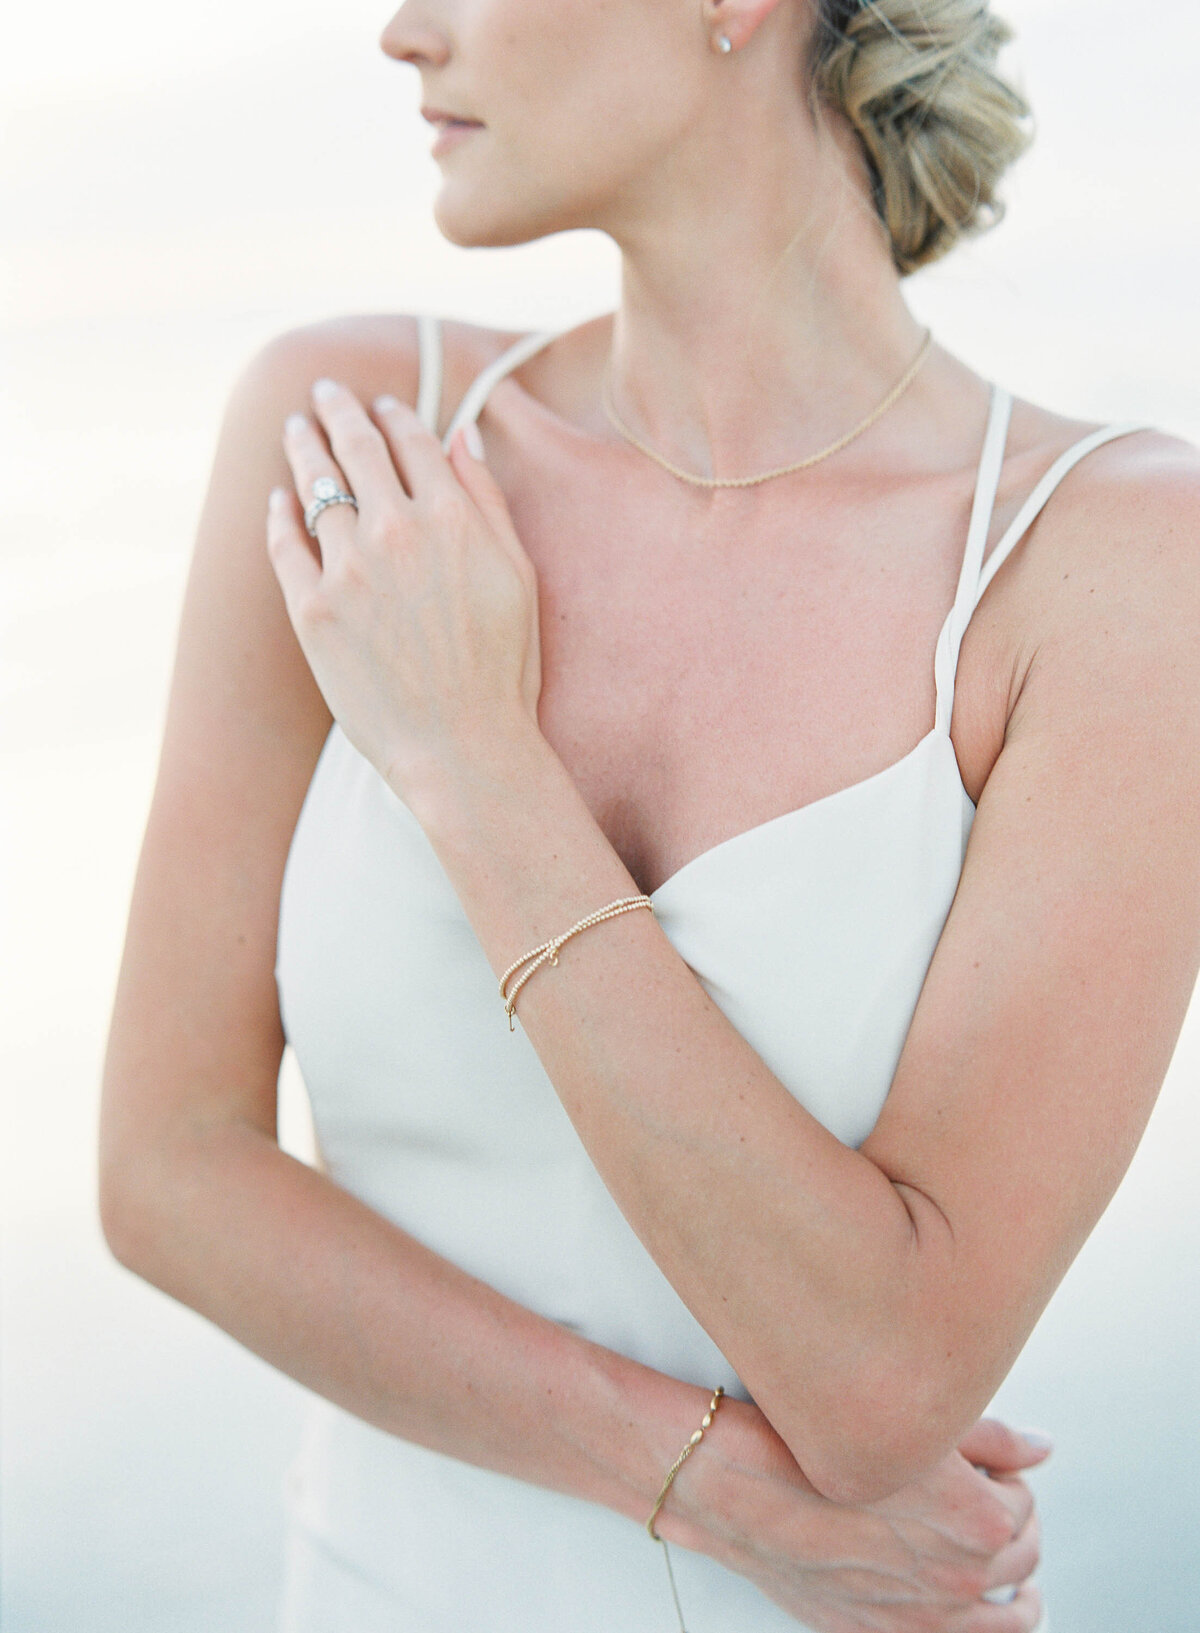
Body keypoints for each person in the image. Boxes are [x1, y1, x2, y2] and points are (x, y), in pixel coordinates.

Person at [98, 0, 1200, 1629]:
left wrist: (473, 758)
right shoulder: (353, 443)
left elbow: (882, 1379)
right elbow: (166, 1167)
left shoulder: (1106, 569)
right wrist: (705, 1486)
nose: (405, 33)